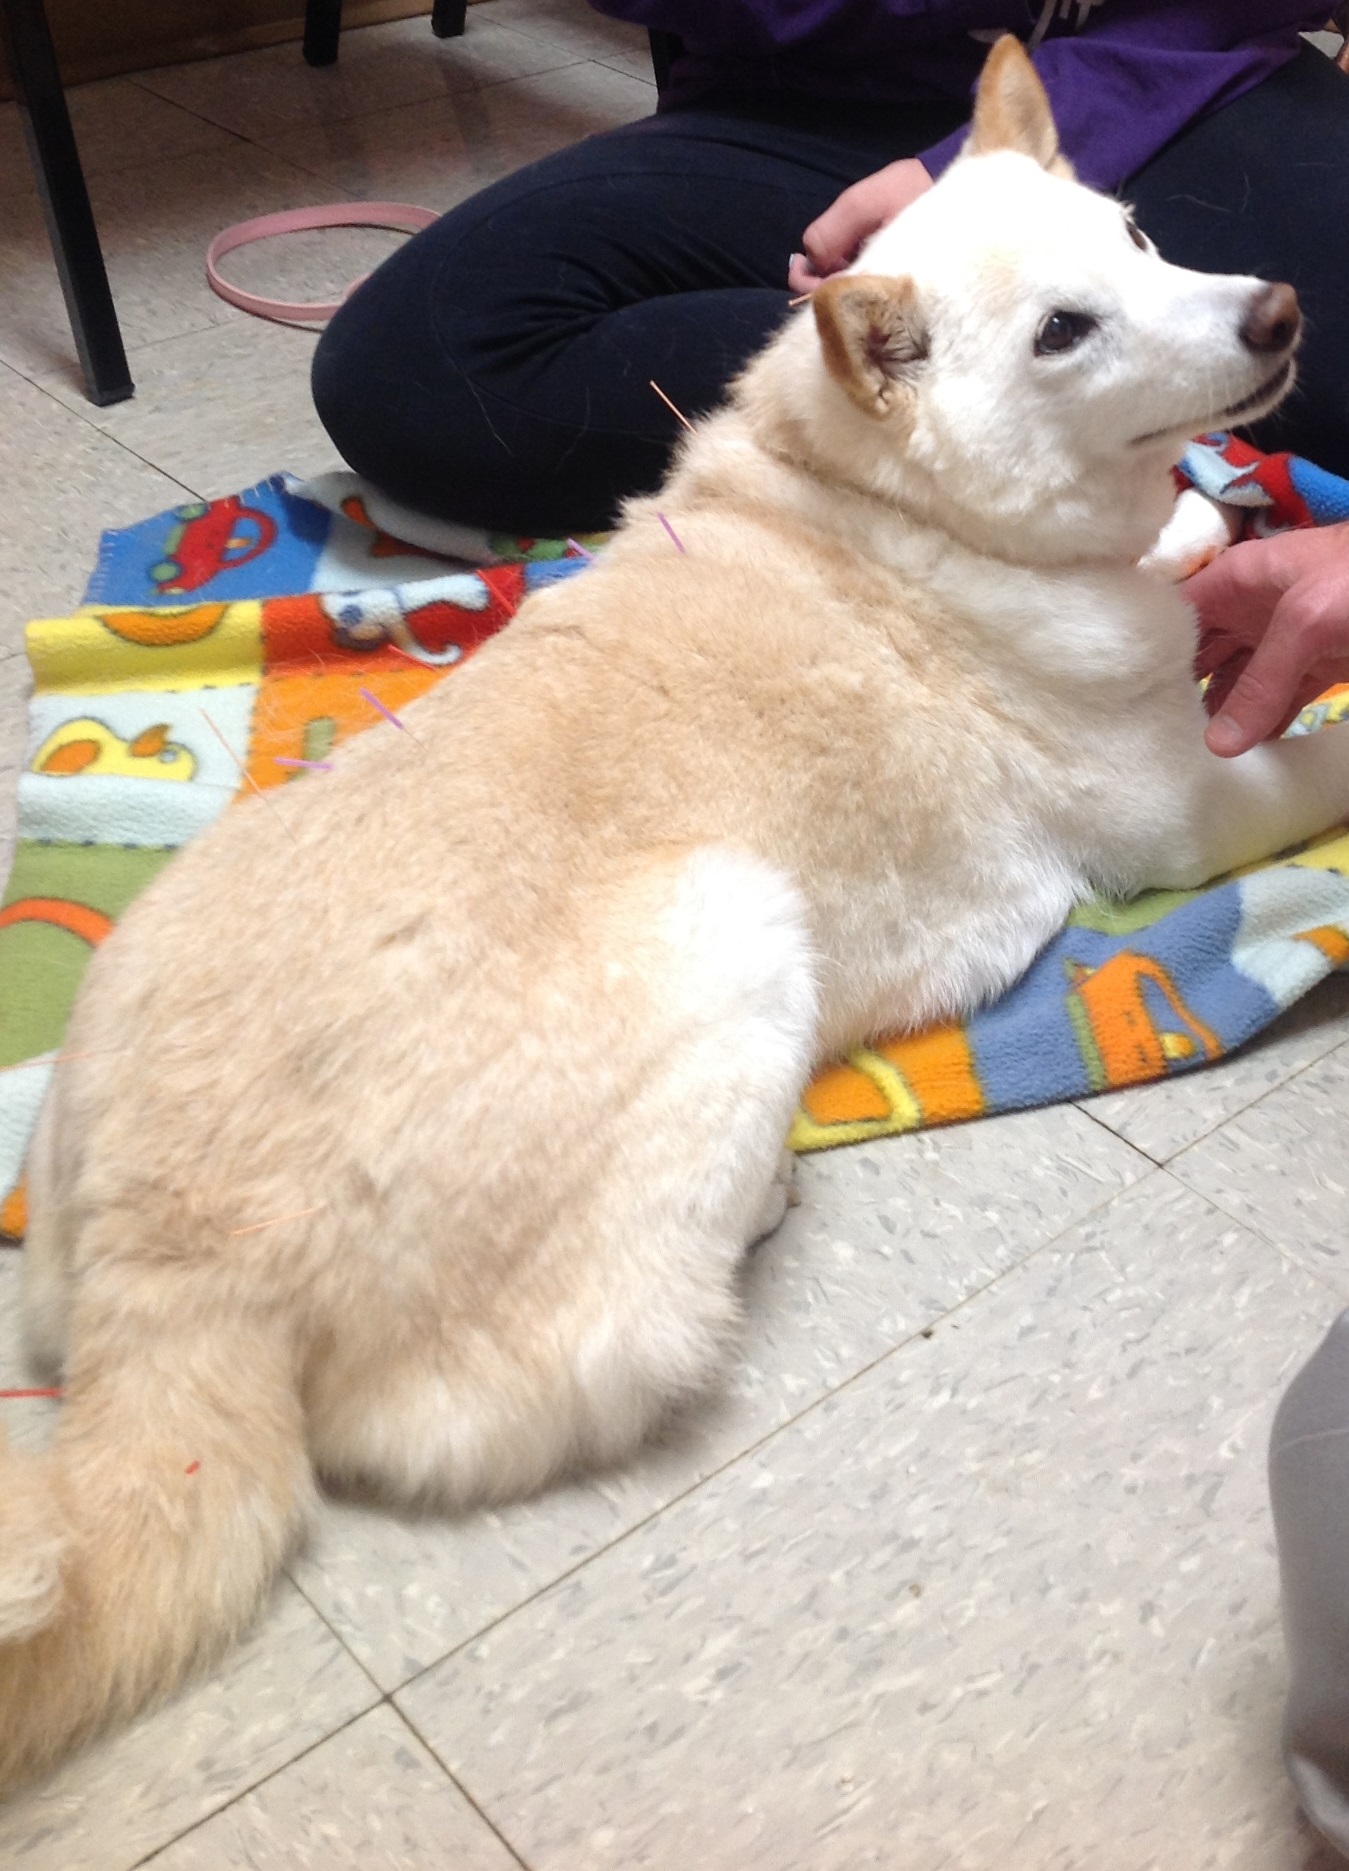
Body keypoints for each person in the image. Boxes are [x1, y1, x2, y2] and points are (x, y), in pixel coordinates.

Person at [311, 2, 1349, 538]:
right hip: (802, 100)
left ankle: (1040, 395)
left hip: (1162, 77)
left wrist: (965, 169)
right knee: (420, 366)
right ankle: (984, 399)